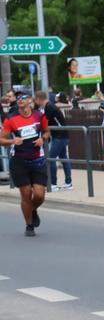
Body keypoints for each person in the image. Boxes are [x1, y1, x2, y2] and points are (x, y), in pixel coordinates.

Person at [0, 93, 50, 236]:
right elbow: (1, 139)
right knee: (26, 194)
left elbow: (47, 132)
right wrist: (12, 141)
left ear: (30, 101)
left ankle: (32, 209)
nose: (21, 100)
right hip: (19, 161)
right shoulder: (11, 118)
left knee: (39, 195)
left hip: (37, 159)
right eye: (18, 99)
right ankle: (29, 225)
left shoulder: (39, 116)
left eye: (24, 98)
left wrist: (43, 139)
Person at [33, 91, 72, 191]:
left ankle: (53, 183)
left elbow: (44, 121)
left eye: (35, 100)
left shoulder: (49, 107)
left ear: (38, 99)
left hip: (59, 137)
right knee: (63, 158)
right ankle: (68, 182)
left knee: (50, 158)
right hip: (61, 136)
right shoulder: (50, 106)